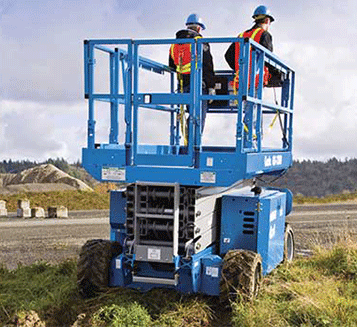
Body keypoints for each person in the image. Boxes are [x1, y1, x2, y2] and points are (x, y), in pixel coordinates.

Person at [169, 13, 215, 135]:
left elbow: (171, 65)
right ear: (199, 28)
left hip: (182, 86)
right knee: (198, 117)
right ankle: (194, 144)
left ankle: (187, 142)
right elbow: (207, 65)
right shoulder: (200, 42)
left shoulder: (175, 44)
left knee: (187, 114)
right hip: (198, 86)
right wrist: (211, 86)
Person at [225, 5, 274, 87]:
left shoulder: (241, 35)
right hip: (256, 82)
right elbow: (268, 59)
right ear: (267, 20)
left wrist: (240, 70)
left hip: (240, 82)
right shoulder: (264, 35)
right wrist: (276, 71)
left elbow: (228, 56)